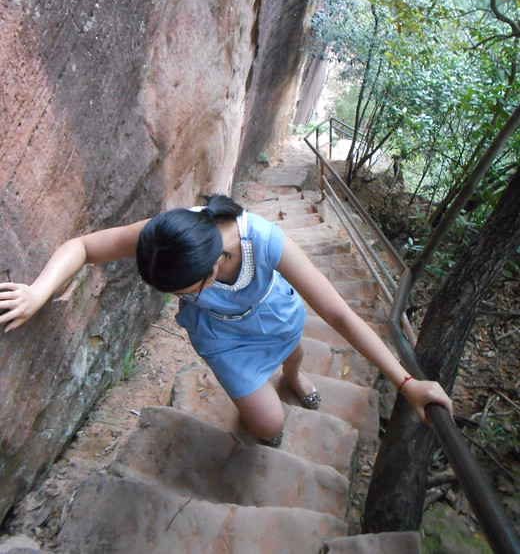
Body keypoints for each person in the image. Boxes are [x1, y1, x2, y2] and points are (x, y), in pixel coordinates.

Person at [0, 194, 452, 445]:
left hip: (271, 314)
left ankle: (292, 373)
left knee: (292, 349)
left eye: (181, 292)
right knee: (268, 427)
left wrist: (405, 381)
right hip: (221, 336)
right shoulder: (168, 234)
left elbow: (337, 312)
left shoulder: (265, 242)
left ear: (211, 270)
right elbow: (83, 246)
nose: (176, 299)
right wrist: (39, 290)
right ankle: (275, 382)